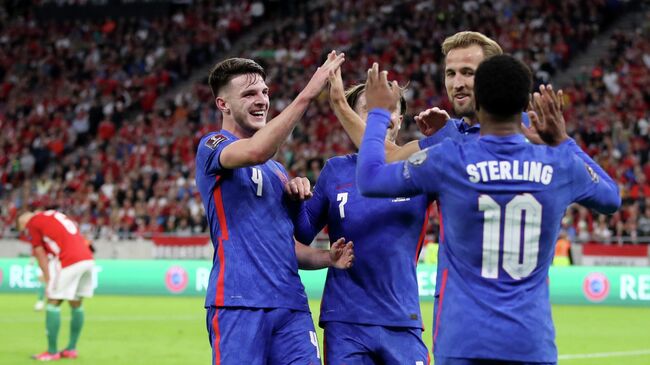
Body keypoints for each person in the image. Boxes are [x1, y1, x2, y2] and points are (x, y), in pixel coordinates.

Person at [356, 58, 620, 364]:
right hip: (530, 343)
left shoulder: (448, 159)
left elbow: (370, 178)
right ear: (524, 105)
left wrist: (378, 114)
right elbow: (611, 197)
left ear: (477, 101)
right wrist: (563, 141)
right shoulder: (560, 164)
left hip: (464, 342)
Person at [195, 52, 354, 365]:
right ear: (223, 104)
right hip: (238, 303)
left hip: (291, 305)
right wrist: (309, 93)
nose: (262, 100)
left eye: (265, 92)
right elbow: (256, 150)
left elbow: (289, 245)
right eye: (250, 94)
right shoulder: (212, 145)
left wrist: (327, 257)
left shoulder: (279, 172)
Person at [290, 76, 431, 364]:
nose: (383, 116)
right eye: (370, 108)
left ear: (400, 119)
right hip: (345, 321)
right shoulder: (335, 171)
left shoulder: (421, 167)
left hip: (402, 319)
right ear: (352, 118)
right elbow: (301, 234)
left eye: (389, 109)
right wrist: (295, 196)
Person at [331, 31, 530, 162]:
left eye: (468, 72)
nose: (457, 84)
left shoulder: (533, 131)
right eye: (451, 74)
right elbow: (387, 157)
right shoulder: (446, 136)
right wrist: (340, 103)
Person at [17, 210, 96, 361]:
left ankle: (52, 352)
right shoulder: (53, 214)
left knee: (53, 302)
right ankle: (71, 349)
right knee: (76, 303)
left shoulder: (33, 222)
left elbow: (39, 253)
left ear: (24, 222)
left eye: (24, 229)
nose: (27, 231)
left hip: (69, 261)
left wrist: (48, 279)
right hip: (87, 259)